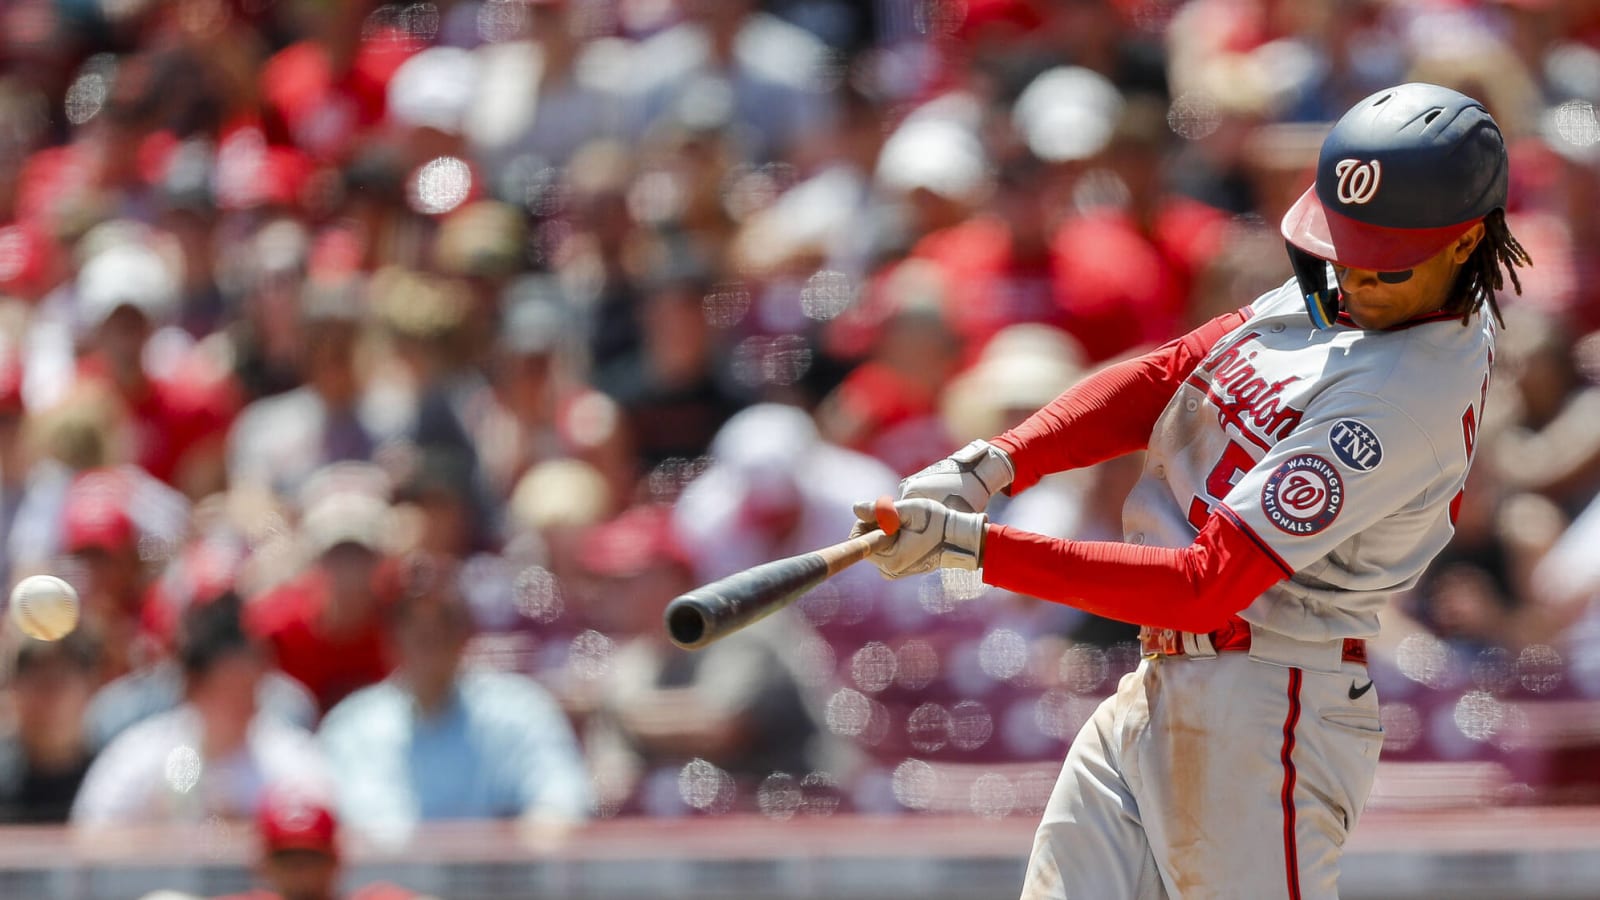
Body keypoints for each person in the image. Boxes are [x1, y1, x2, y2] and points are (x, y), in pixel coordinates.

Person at [851, 83, 1531, 898]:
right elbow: (1173, 374)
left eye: (1382, 260)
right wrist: (993, 463)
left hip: (1265, 707)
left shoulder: (1406, 393)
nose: (1352, 274)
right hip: (1164, 684)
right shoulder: (1361, 289)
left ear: (1464, 243)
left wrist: (975, 550)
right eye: (1345, 245)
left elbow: (1206, 587)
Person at [317, 556, 591, 843]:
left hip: (495, 884)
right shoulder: (351, 726)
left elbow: (562, 800)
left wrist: (529, 840)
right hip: (382, 885)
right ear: (390, 641)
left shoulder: (519, 711)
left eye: (443, 627)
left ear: (465, 637)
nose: (429, 643)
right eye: (415, 631)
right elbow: (320, 822)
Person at [72, 592, 332, 827]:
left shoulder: (291, 760)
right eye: (228, 687)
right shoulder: (142, 754)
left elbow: (325, 835)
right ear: (192, 687)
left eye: (250, 686)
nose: (244, 701)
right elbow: (91, 834)